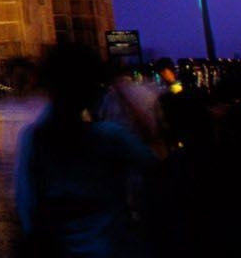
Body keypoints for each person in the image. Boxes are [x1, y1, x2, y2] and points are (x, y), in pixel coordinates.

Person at [15, 43, 156, 257]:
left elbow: (28, 210)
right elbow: (155, 166)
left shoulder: (34, 140)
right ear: (90, 92)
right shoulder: (110, 137)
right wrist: (118, 85)